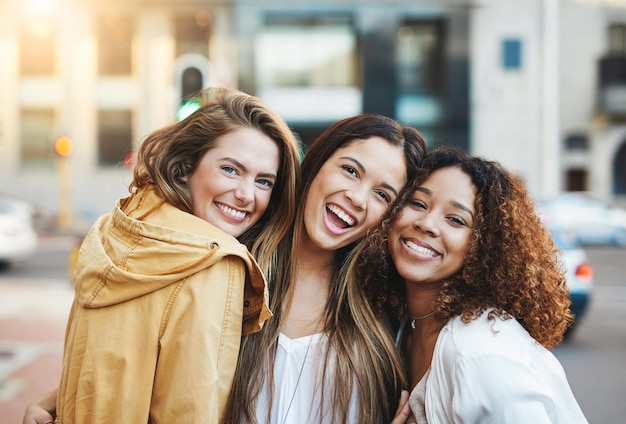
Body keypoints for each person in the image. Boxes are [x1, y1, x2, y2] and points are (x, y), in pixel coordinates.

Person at [23, 86, 302, 424]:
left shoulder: (114, 233)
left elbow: (113, 369)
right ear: (186, 167)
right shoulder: (216, 263)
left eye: (264, 182)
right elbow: (190, 410)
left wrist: (53, 403)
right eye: (230, 169)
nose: (245, 195)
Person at [350, 145, 588, 423]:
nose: (427, 224)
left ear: (486, 247)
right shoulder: (406, 325)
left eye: (455, 219)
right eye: (418, 203)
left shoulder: (482, 351)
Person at [224, 114, 427, 423]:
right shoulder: (231, 268)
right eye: (350, 171)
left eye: (382, 195)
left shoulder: (385, 324)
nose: (358, 198)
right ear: (317, 162)